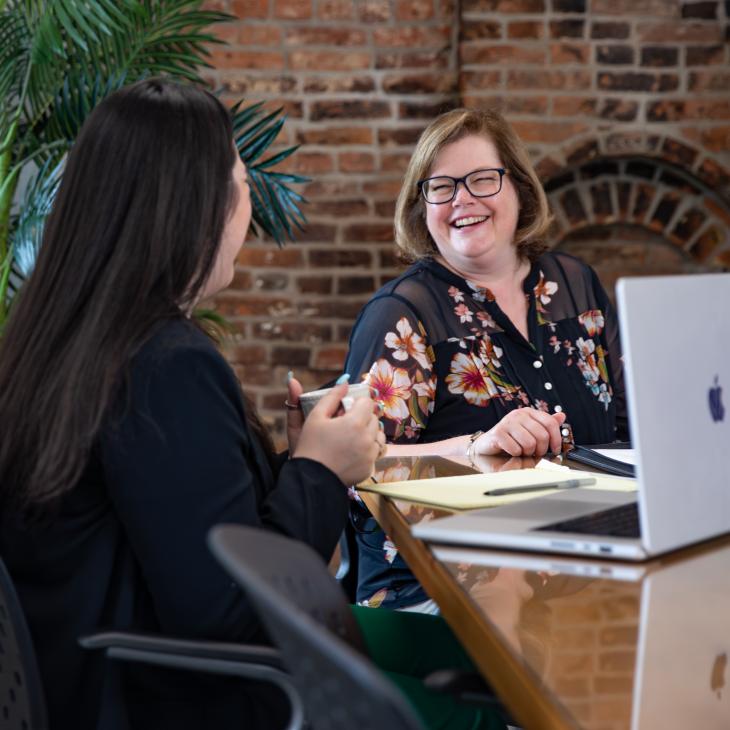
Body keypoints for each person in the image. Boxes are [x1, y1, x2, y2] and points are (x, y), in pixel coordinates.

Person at [0, 80, 505, 730]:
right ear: (193, 206)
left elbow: (185, 521)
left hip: (101, 675)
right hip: (176, 694)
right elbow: (234, 612)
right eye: (240, 181)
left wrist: (295, 460)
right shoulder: (165, 364)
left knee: (469, 654)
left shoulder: (60, 341)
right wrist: (320, 473)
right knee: (484, 700)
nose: (247, 202)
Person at [344, 108, 628, 612]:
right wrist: (479, 446)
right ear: (422, 205)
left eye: (482, 179)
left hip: (583, 565)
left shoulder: (575, 285)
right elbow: (356, 469)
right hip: (440, 584)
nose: (462, 200)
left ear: (518, 187)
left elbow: (628, 429)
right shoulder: (404, 314)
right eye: (442, 187)